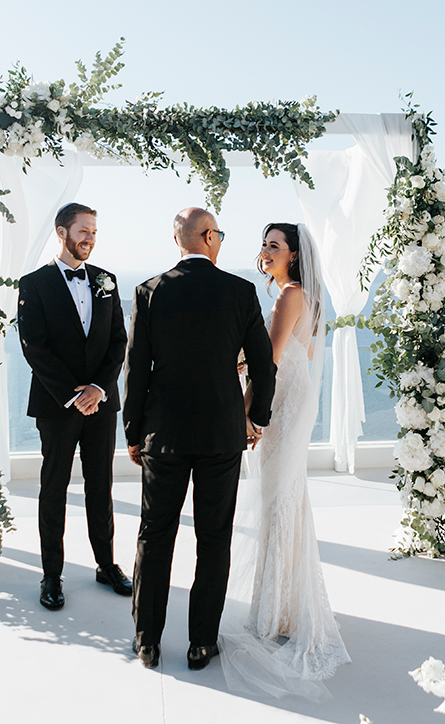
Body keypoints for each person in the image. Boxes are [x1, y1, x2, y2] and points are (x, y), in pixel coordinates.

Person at [123, 207, 276, 671]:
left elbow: (137, 370)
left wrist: (133, 432)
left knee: (154, 536)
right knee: (213, 538)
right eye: (220, 233)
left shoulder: (149, 292)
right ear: (208, 237)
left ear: (178, 242)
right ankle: (201, 644)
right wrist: (256, 420)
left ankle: (147, 641)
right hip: (220, 435)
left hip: (163, 435)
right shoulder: (240, 291)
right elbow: (264, 366)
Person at [219, 222, 350, 698]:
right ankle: (289, 606)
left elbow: (268, 360)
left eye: (275, 245)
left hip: (282, 409)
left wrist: (250, 414)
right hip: (296, 405)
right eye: (264, 244)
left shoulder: (288, 295)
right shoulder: (304, 297)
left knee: (278, 503)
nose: (265, 251)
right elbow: (303, 351)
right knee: (288, 503)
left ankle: (276, 612)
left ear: (293, 256)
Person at [17, 202, 130, 611]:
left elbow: (119, 341)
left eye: (95, 232)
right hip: (57, 404)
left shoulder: (106, 280)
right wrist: (74, 394)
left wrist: (98, 388)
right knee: (54, 488)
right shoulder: (33, 284)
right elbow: (34, 348)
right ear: (62, 232)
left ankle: (106, 564)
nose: (90, 238)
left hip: (101, 403)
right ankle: (51, 575)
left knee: (102, 486)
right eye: (84, 230)